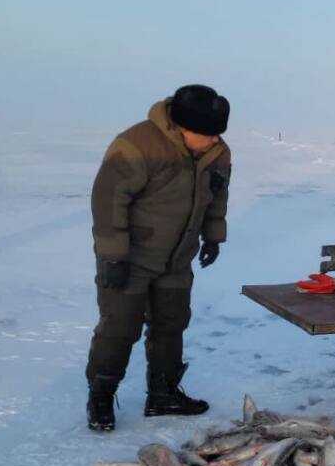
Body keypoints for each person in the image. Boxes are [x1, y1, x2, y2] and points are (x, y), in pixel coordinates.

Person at [85, 85, 232, 432]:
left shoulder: (217, 153)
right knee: (120, 328)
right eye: (206, 133)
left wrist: (213, 235)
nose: (214, 140)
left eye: (218, 133)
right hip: (131, 257)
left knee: (171, 323)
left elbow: (217, 196)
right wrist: (113, 257)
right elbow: (107, 203)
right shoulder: (136, 145)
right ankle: (101, 397)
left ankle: (163, 393)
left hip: (177, 257)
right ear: (181, 127)